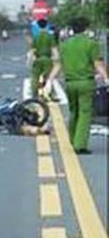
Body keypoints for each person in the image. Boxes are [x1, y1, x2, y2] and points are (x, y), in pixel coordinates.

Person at [43, 17, 108, 154]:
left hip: (70, 83)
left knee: (74, 112)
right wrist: (106, 78)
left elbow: (58, 65)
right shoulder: (91, 44)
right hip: (86, 83)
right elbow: (98, 64)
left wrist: (49, 81)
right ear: (86, 28)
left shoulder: (65, 44)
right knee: (85, 113)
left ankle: (72, 139)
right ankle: (80, 145)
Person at [27, 18, 59, 99]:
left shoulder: (36, 37)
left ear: (38, 26)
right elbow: (54, 50)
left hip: (37, 59)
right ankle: (50, 94)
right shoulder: (50, 37)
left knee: (35, 77)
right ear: (47, 25)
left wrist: (29, 60)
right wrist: (56, 58)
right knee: (48, 78)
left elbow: (32, 50)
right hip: (47, 60)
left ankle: (34, 94)